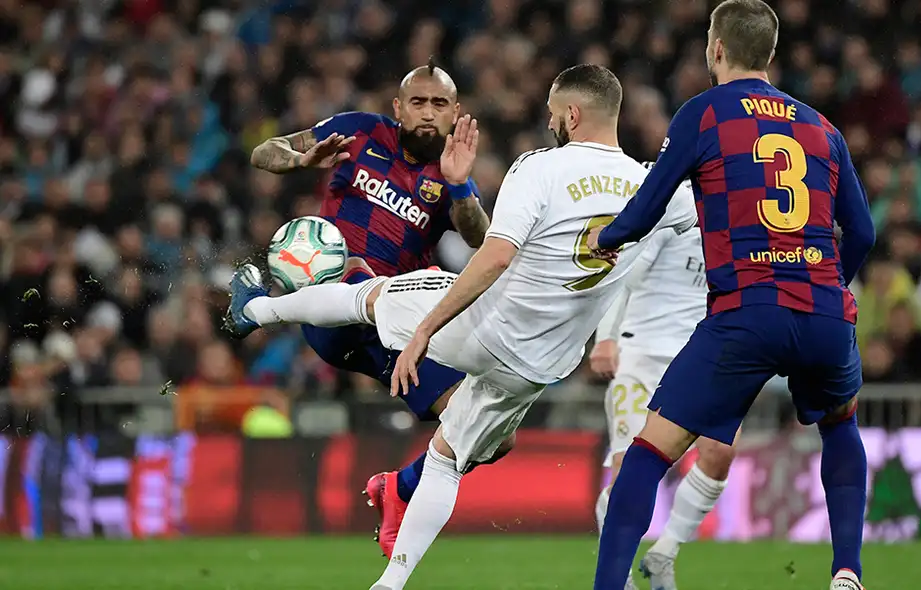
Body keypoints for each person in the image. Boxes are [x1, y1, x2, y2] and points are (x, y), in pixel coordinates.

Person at [226, 64, 698, 590]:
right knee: (446, 452)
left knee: (380, 307)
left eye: (552, 113)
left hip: (477, 326)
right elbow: (710, 213)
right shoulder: (657, 191)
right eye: (418, 102)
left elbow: (492, 251)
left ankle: (256, 312)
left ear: (570, 114)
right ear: (398, 107)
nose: (548, 122)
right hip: (539, 364)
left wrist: (427, 327)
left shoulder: (539, 167)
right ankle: (391, 579)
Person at [587, 1, 877, 589]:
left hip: (747, 312)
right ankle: (847, 571)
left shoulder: (705, 113)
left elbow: (645, 209)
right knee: (840, 426)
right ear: (770, 53)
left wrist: (605, 237)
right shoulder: (822, 127)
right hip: (823, 312)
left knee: (648, 454)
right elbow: (864, 233)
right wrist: (825, 287)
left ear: (715, 48)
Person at [241, 61, 493, 556]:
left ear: (455, 112)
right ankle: (256, 309)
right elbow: (262, 152)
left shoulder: (450, 172)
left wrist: (461, 185)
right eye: (417, 102)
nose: (427, 113)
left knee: (485, 430)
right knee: (355, 263)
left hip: (396, 335)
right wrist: (298, 160)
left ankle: (398, 488)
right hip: (335, 309)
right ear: (398, 107)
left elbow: (480, 238)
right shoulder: (359, 132)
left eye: (439, 104)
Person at [590, 197, 736, 590]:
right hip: (641, 353)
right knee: (628, 469)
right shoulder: (678, 202)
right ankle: (619, 576)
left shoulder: (745, 207)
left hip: (699, 357)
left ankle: (664, 553)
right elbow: (624, 271)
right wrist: (606, 338)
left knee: (720, 452)